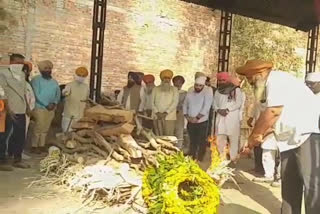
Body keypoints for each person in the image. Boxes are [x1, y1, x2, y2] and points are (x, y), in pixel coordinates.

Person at [237, 60, 320, 214]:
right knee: (289, 185)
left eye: (251, 79)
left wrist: (254, 137)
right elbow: (267, 122)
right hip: (287, 140)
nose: (249, 83)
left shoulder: (277, 80)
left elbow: (273, 112)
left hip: (306, 136)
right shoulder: (264, 91)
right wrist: (250, 145)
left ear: (260, 74)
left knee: (312, 185)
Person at [0, 54, 30, 169]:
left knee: (20, 135)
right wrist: (8, 109)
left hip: (21, 108)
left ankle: (17, 159)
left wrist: (27, 106)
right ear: (11, 62)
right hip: (7, 109)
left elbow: (24, 92)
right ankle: (1, 160)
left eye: (22, 63)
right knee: (3, 135)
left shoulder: (22, 74)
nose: (20, 65)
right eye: (17, 63)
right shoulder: (3, 74)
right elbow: (1, 93)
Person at [213, 72, 244, 163]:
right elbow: (214, 103)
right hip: (220, 117)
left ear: (228, 80)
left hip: (232, 117)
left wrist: (227, 110)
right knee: (220, 139)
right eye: (220, 80)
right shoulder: (217, 91)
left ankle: (233, 158)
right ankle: (222, 159)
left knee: (233, 139)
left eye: (224, 80)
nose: (222, 82)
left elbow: (238, 103)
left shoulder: (236, 90)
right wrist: (218, 110)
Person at [31, 60, 60, 154]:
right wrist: (46, 104)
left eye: (49, 68)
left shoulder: (54, 82)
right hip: (40, 107)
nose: (48, 70)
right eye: (45, 68)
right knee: (39, 127)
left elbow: (58, 94)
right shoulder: (36, 80)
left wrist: (55, 103)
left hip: (51, 108)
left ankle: (42, 145)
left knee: (46, 128)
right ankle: (34, 146)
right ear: (40, 70)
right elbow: (36, 94)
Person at [250, 101, 281, 187]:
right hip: (269, 130)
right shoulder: (265, 102)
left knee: (283, 155)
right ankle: (268, 175)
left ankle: (280, 178)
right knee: (267, 152)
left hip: (283, 129)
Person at [184, 76, 213, 161]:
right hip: (190, 119)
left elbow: (206, 106)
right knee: (192, 140)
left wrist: (197, 117)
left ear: (203, 85)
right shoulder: (190, 90)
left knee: (201, 141)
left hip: (202, 120)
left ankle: (200, 158)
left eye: (200, 86)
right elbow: (185, 103)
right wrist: (186, 116)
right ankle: (192, 156)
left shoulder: (208, 90)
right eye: (196, 85)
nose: (197, 87)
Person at [61, 67, 89, 132]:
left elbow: (86, 99)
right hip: (69, 116)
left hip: (80, 117)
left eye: (83, 76)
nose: (81, 77)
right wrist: (64, 92)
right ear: (75, 75)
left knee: (78, 135)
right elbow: (64, 94)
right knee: (67, 134)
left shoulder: (86, 87)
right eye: (79, 75)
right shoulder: (69, 85)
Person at [151, 69, 179, 136]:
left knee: (168, 136)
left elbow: (175, 102)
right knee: (158, 135)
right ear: (162, 79)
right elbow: (152, 102)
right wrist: (157, 113)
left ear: (170, 79)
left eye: (168, 78)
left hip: (169, 117)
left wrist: (166, 113)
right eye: (165, 78)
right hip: (157, 116)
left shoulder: (174, 89)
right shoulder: (155, 89)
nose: (166, 80)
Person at [172, 75, 187, 149]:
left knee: (179, 131)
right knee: (170, 131)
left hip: (179, 114)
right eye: (176, 82)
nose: (177, 84)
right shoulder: (170, 92)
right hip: (169, 114)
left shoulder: (184, 93)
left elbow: (185, 104)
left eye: (179, 83)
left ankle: (178, 148)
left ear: (182, 84)